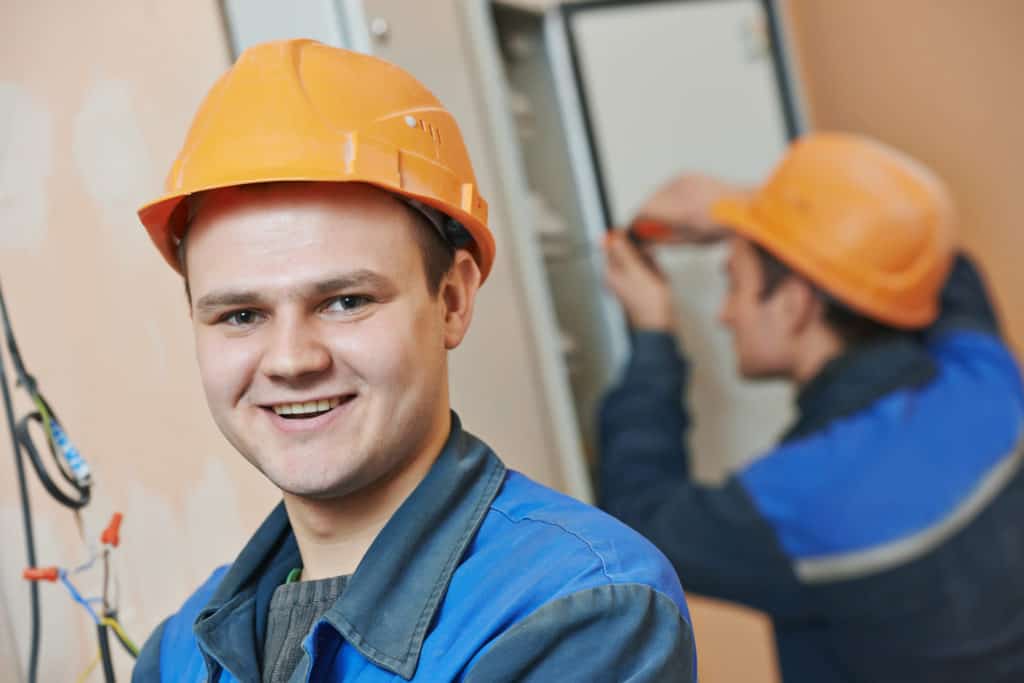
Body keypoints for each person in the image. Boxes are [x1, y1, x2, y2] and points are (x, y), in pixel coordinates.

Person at [130, 39, 696, 682]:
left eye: (345, 301)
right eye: (240, 315)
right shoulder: (180, 651)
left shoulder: (580, 605)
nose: (290, 359)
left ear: (452, 300)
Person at [599, 132, 1024, 682]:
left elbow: (639, 521)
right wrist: (757, 216)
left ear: (796, 304)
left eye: (735, 285)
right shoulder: (985, 384)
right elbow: (942, 269)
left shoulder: (808, 499)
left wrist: (653, 335)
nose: (725, 314)